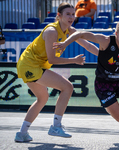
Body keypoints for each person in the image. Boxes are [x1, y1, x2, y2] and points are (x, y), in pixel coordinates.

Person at [54, 13, 119, 144]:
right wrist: (65, 43)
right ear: (116, 33)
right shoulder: (105, 41)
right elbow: (82, 34)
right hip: (103, 85)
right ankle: (109, 104)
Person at [14, 2, 99, 142]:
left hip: (34, 65)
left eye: (73, 14)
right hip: (30, 65)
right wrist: (74, 60)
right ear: (59, 16)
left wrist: (106, 58)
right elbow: (52, 59)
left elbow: (87, 45)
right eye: (68, 14)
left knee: (43, 98)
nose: (71, 17)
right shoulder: (52, 32)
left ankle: (22, 133)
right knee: (67, 87)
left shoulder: (70, 30)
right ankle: (56, 126)